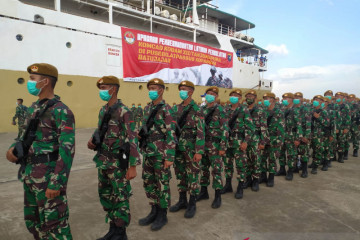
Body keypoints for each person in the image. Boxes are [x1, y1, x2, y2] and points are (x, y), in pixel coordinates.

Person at [6, 63, 75, 240]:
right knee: (33, 222)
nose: (29, 82)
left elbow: (67, 150)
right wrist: (12, 151)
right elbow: (23, 138)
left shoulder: (62, 111)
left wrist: (56, 182)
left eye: (32, 79)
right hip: (30, 175)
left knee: (56, 226)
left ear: (44, 82)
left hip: (48, 177)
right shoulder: (33, 109)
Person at [87, 76, 140, 240]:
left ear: (114, 89)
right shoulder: (103, 110)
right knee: (106, 195)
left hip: (117, 163)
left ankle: (121, 233)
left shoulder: (125, 111)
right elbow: (101, 132)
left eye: (104, 87)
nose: (101, 91)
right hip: (103, 160)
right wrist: (93, 141)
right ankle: (112, 229)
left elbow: (132, 138)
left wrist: (132, 166)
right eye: (100, 88)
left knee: (120, 197)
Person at [138, 78, 176, 231]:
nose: (151, 90)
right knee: (149, 183)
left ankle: (162, 214)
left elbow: (171, 134)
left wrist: (169, 157)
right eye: (150, 88)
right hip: (148, 152)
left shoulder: (167, 109)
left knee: (162, 184)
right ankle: (153, 210)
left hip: (161, 153)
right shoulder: (147, 108)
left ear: (161, 90)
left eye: (154, 88)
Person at [169, 80, 205, 218]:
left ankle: (192, 203)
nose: (182, 91)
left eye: (184, 89)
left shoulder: (197, 109)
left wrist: (199, 151)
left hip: (191, 149)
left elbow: (201, 131)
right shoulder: (175, 109)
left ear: (191, 91)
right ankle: (182, 200)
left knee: (193, 176)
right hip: (178, 149)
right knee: (180, 175)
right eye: (180, 89)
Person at [197, 86, 228, 209]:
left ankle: (217, 196)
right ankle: (204, 192)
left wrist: (222, 147)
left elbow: (225, 130)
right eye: (208, 93)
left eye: (212, 94)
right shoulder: (202, 109)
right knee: (203, 170)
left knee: (216, 171)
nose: (210, 95)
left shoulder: (220, 110)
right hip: (203, 145)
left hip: (215, 146)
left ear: (216, 96)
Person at [222, 89, 254, 198]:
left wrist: (245, 141)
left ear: (240, 98)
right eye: (232, 95)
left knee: (241, 165)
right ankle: (228, 185)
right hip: (227, 142)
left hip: (239, 142)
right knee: (227, 165)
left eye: (236, 95)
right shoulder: (225, 109)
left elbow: (250, 127)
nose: (234, 97)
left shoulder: (244, 110)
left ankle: (240, 187)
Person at [244, 90, 269, 190]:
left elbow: (264, 126)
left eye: (251, 96)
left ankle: (255, 181)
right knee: (246, 160)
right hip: (244, 138)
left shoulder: (260, 110)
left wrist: (263, 141)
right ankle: (248, 179)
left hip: (255, 138)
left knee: (256, 160)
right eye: (247, 96)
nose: (249, 97)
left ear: (255, 97)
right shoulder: (243, 109)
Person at [276, 93, 303, 181]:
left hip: (291, 135)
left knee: (291, 154)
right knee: (281, 153)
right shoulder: (282, 109)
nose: (284, 99)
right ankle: (282, 169)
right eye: (283, 98)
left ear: (291, 99)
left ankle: (290, 171)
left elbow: (299, 125)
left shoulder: (295, 110)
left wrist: (298, 138)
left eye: (287, 98)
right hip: (282, 135)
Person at [261, 93, 285, 186]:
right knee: (262, 159)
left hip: (274, 139)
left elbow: (282, 127)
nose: (266, 100)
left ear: (274, 100)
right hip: (263, 139)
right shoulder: (262, 111)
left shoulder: (279, 112)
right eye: (265, 98)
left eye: (268, 98)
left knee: (272, 159)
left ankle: (271, 178)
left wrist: (279, 141)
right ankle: (263, 176)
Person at [309, 95, 329, 174]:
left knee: (318, 151)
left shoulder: (324, 112)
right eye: (315, 99)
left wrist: (318, 117)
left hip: (319, 135)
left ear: (321, 101)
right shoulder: (311, 111)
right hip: (311, 133)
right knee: (312, 150)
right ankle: (313, 163)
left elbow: (327, 124)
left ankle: (315, 167)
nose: (315, 101)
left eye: (318, 99)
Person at [293, 92, 311, 178]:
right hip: (293, 134)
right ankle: (296, 167)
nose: (297, 98)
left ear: (302, 99)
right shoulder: (292, 108)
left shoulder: (305, 109)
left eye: (299, 97)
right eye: (296, 97)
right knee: (294, 152)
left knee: (304, 153)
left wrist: (306, 136)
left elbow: (308, 124)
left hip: (303, 133)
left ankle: (304, 170)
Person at [334, 92, 351, 163]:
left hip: (342, 127)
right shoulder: (333, 106)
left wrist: (346, 128)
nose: (338, 97)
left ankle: (341, 157)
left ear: (342, 97)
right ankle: (333, 156)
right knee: (333, 142)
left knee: (341, 142)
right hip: (334, 128)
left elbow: (348, 117)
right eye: (336, 96)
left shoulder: (346, 106)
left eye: (339, 96)